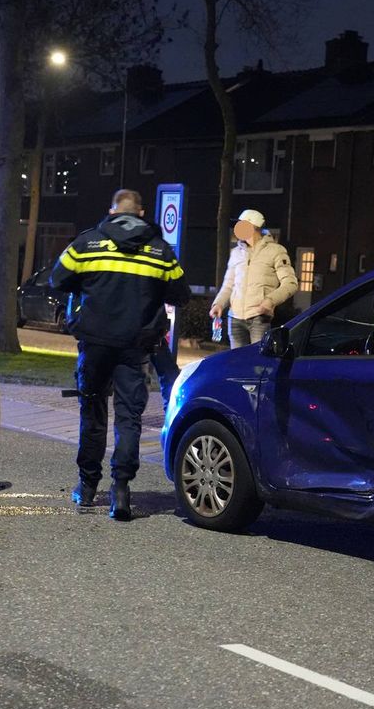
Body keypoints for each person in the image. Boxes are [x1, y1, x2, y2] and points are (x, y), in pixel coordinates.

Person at [51, 189, 190, 521]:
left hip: (95, 343)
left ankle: (87, 487)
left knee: (93, 412)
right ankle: (121, 490)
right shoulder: (160, 251)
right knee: (129, 418)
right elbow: (181, 294)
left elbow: (58, 278)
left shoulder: (87, 243)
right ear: (140, 213)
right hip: (135, 345)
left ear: (111, 211)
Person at [209, 209, 298, 348]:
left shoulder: (276, 251)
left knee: (258, 365)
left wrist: (270, 300)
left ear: (254, 227)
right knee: (237, 364)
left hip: (259, 317)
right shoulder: (236, 253)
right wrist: (218, 304)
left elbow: (291, 283)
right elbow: (228, 285)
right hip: (235, 318)